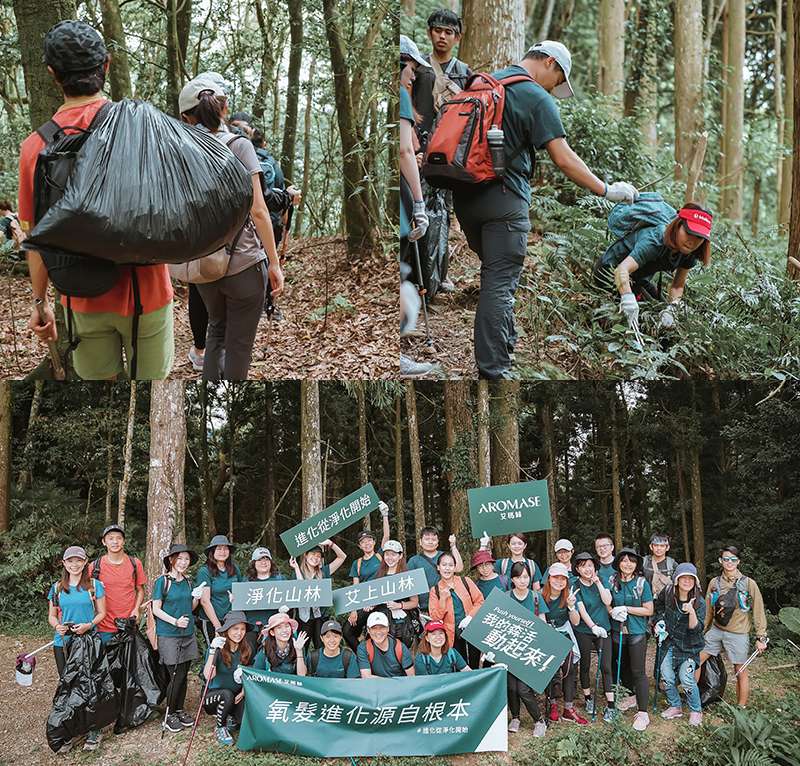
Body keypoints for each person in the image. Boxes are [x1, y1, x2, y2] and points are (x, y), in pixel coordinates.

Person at [440, 40, 638, 379]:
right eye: (559, 79)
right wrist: (606, 189)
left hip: (465, 197)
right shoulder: (535, 96)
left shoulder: (483, 82)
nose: (556, 87)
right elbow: (564, 157)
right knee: (499, 284)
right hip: (504, 200)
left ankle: (506, 344)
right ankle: (494, 371)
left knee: (496, 275)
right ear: (549, 62)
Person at [22, 20, 174, 380]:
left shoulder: (35, 147)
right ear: (105, 65)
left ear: (52, 75)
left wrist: (40, 303)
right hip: (147, 291)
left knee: (100, 388)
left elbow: (37, 239)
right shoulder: (140, 127)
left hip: (81, 295)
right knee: (152, 388)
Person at [178, 75, 284, 380]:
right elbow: (259, 210)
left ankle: (213, 393)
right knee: (238, 347)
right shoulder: (239, 146)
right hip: (245, 264)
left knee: (216, 333)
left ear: (186, 116)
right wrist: (274, 263)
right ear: (225, 108)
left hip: (204, 265)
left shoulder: (180, 150)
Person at [411, 8, 473, 296]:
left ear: (457, 37)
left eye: (448, 32)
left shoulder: (464, 74)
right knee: (419, 208)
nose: (442, 36)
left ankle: (441, 274)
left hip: (451, 155)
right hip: (419, 152)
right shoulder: (418, 69)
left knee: (445, 212)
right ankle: (420, 277)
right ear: (429, 32)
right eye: (438, 30)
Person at [594, 203, 713, 331]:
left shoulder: (690, 253)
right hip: (610, 272)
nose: (692, 241)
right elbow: (622, 269)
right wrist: (627, 298)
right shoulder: (655, 240)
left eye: (699, 237)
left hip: (638, 280)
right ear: (678, 225)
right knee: (624, 321)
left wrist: (673, 307)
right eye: (689, 232)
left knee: (659, 312)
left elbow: (677, 286)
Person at [47, 545, 107, 753]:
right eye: (70, 561)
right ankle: (70, 730)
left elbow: (102, 613)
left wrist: (89, 625)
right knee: (69, 686)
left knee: (91, 685)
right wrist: (57, 626)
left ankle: (93, 730)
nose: (74, 564)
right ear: (64, 564)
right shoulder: (56, 588)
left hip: (89, 641)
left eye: (78, 561)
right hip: (64, 644)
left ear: (85, 563)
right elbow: (52, 615)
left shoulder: (94, 586)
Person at [399, 35, 435, 378]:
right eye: (410, 68)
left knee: (404, 271)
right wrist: (420, 203)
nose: (413, 75)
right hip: (403, 198)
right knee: (402, 271)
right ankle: (399, 355)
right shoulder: (399, 97)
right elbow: (406, 151)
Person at [698, 545, 768, 708]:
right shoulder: (714, 583)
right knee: (696, 660)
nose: (729, 562)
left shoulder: (748, 583)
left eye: (733, 559)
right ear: (720, 561)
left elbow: (758, 610)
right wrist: (702, 630)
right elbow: (709, 609)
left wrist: (761, 636)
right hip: (716, 630)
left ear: (738, 562)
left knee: (740, 670)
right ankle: (694, 701)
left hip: (738, 633)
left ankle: (740, 708)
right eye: (726, 559)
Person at [151, 543, 202, 733]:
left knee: (184, 674)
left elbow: (191, 607)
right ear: (171, 560)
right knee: (175, 674)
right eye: (179, 558)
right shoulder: (162, 582)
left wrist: (196, 598)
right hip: (169, 634)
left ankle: (179, 710)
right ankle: (169, 714)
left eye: (186, 559)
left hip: (187, 634)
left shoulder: (188, 582)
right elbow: (156, 609)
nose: (183, 562)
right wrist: (174, 621)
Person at [653, 563, 707, 726]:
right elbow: (658, 607)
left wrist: (691, 611)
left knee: (687, 679)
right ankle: (675, 706)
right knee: (667, 676)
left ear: (695, 581)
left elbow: (696, 630)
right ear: (676, 579)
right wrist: (659, 621)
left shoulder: (700, 603)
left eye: (691, 578)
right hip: (669, 643)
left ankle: (696, 710)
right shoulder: (668, 592)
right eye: (683, 577)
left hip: (689, 646)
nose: (686, 581)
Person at [608, 548, 654, 731]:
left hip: (636, 632)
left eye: (632, 561)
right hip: (617, 631)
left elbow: (648, 609)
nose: (627, 564)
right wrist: (612, 611)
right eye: (624, 560)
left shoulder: (642, 583)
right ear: (618, 563)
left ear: (636, 565)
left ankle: (643, 713)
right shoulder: (612, 581)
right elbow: (607, 603)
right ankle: (630, 697)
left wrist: (626, 608)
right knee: (623, 667)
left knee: (638, 671)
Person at [506, 561, 550, 737]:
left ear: (529, 578)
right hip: (508, 648)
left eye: (525, 577)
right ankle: (515, 717)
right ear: (512, 579)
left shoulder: (536, 597)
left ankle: (539, 721)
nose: (522, 580)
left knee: (523, 688)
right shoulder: (506, 597)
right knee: (511, 687)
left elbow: (543, 623)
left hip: (529, 649)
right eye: (518, 577)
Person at [542, 563, 586, 724]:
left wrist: (571, 606)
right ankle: (552, 704)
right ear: (549, 578)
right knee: (550, 670)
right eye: (555, 577)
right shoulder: (539, 595)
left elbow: (575, 621)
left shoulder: (568, 595)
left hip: (564, 633)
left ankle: (568, 708)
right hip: (546, 636)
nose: (559, 581)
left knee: (570, 669)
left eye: (563, 578)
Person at [343, 501, 391, 651]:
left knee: (379, 631)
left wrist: (385, 515)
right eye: (363, 542)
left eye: (369, 540)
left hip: (382, 601)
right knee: (347, 631)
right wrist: (353, 610)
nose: (367, 544)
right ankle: (362, 656)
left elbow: (387, 536)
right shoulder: (357, 563)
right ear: (360, 546)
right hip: (364, 602)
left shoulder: (380, 557)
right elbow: (355, 587)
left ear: (374, 542)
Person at [572, 551, 614, 721]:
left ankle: (611, 704)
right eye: (583, 566)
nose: (587, 569)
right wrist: (593, 626)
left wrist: (597, 582)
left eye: (590, 565)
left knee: (606, 666)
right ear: (577, 569)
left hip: (605, 629)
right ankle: (588, 698)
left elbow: (607, 601)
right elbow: (581, 610)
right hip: (585, 630)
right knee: (585, 664)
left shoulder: (601, 580)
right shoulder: (575, 585)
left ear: (594, 567)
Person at [202, 611, 255, 745]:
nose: (239, 632)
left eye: (242, 629)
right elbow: (208, 676)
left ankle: (232, 717)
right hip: (214, 697)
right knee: (227, 694)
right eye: (235, 629)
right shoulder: (218, 648)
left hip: (237, 696)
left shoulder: (246, 649)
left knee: (243, 722)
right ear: (227, 630)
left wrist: (243, 692)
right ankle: (220, 728)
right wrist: (213, 650)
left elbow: (249, 675)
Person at [92, 524, 146, 643]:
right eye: (110, 538)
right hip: (103, 627)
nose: (115, 542)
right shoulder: (95, 566)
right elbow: (84, 592)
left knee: (130, 661)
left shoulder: (135, 563)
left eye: (119, 538)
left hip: (129, 624)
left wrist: (136, 609)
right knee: (106, 661)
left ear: (124, 541)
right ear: (104, 542)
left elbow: (140, 590)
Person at [427, 551, 484, 667]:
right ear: (438, 567)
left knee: (475, 662)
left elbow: (480, 601)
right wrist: (443, 599)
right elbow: (435, 617)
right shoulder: (435, 590)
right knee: (459, 664)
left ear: (454, 567)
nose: (447, 568)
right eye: (444, 565)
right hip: (452, 634)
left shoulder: (465, 581)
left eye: (450, 565)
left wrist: (470, 617)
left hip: (471, 628)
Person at [289, 539, 346, 650]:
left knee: (321, 647)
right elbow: (300, 592)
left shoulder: (324, 571)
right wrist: (296, 568)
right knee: (302, 647)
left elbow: (342, 557)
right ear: (306, 555)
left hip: (321, 617)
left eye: (319, 556)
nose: (316, 557)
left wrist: (331, 544)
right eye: (313, 554)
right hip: (304, 617)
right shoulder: (296, 572)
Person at [371, 539, 420, 649]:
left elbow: (415, 602)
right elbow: (374, 598)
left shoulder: (407, 576)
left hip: (401, 622)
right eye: (387, 554)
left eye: (393, 554)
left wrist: (399, 605)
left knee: (400, 650)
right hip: (382, 618)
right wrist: (370, 604)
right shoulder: (379, 575)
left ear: (400, 556)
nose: (390, 558)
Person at [196, 534, 242, 646]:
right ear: (212, 551)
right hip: (212, 621)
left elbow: (242, 591)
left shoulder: (234, 569)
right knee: (215, 652)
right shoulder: (204, 571)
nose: (223, 551)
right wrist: (218, 626)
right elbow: (204, 601)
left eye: (225, 548)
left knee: (232, 651)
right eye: (219, 548)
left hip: (232, 619)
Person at [406, 526, 464, 613]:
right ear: (420, 542)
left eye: (433, 539)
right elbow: (408, 584)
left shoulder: (444, 556)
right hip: (424, 608)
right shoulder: (414, 561)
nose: (430, 542)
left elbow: (459, 568)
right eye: (427, 539)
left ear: (437, 542)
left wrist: (453, 546)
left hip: (447, 603)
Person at [244, 547, 285, 645]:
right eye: (260, 559)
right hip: (252, 627)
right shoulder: (246, 581)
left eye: (266, 559)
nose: (264, 562)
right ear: (253, 563)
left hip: (274, 627)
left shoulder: (280, 579)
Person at [356, 611, 415, 678]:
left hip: (399, 686)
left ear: (388, 628)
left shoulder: (400, 648)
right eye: (374, 628)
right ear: (368, 630)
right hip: (375, 686)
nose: (378, 632)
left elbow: (411, 677)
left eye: (382, 627)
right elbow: (366, 677)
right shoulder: (364, 648)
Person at [253, 609, 309, 676]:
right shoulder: (265, 650)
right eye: (279, 627)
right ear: (272, 632)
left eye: (287, 626)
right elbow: (256, 673)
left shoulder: (297, 645)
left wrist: (299, 651)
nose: (284, 630)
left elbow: (302, 675)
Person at [643, 533, 677, 600]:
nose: (659, 548)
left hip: (667, 601)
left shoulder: (672, 564)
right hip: (646, 601)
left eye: (662, 546)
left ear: (667, 548)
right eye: (656, 545)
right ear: (651, 547)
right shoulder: (644, 562)